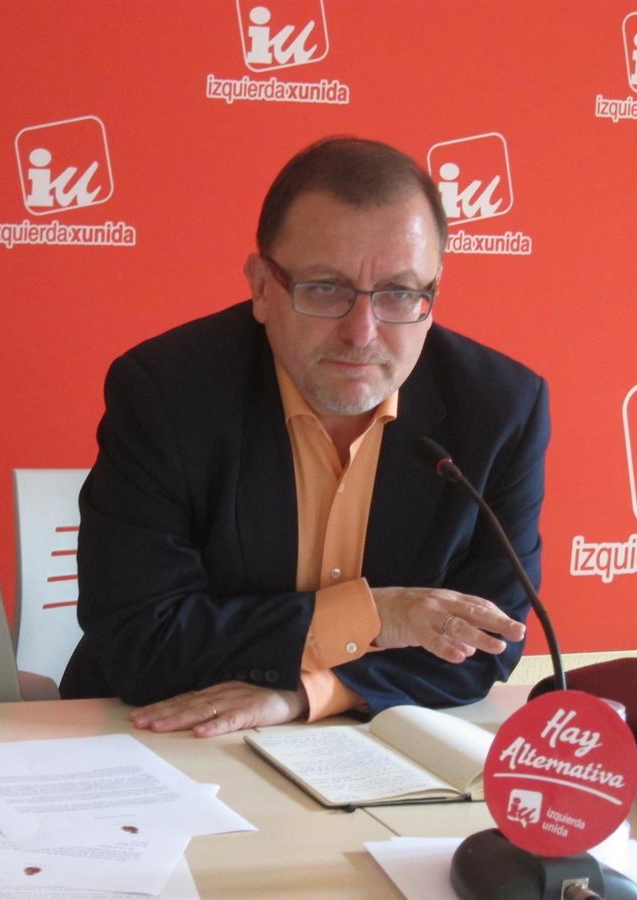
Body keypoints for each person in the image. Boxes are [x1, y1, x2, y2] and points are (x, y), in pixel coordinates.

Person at [60, 136, 550, 738]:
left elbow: (485, 641)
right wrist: (376, 616)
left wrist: (309, 693)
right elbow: (143, 639)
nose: (361, 332)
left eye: (399, 293)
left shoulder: (500, 409)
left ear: (433, 295)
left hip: (365, 739)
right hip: (154, 732)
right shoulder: (167, 393)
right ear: (262, 287)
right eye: (324, 288)